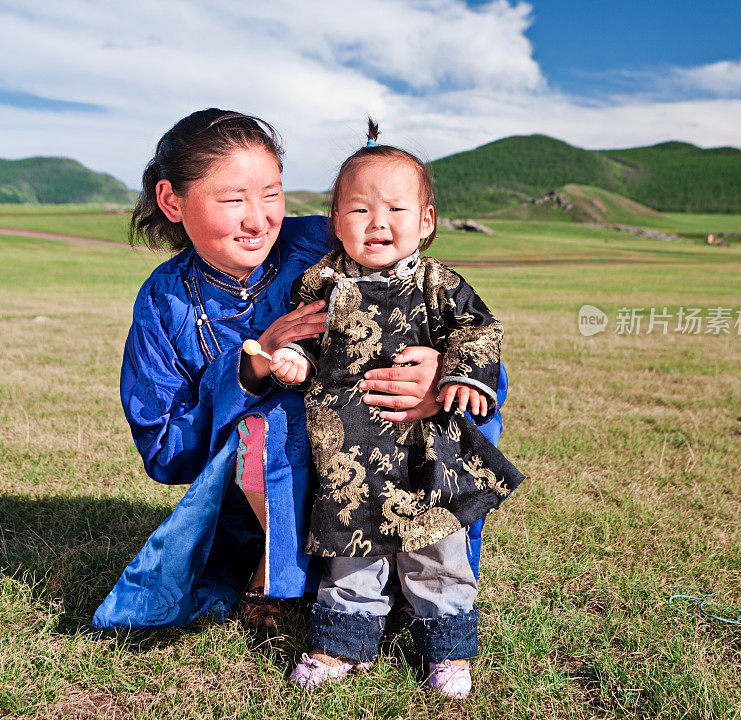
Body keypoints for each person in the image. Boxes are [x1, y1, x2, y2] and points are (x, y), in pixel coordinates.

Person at [92, 109, 455, 631]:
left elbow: (436, 301)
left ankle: (407, 572)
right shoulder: (162, 302)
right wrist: (248, 367)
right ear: (173, 201)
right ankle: (283, 571)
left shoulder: (325, 244)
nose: (258, 219)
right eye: (233, 199)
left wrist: (438, 372)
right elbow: (165, 450)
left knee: (459, 409)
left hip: (380, 456)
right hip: (248, 508)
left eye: (271, 194)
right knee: (271, 423)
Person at [253, 120, 524, 698]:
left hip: (425, 447)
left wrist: (462, 376)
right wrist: (294, 364)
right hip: (346, 448)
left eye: (396, 209)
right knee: (350, 553)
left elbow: (479, 331)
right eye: (358, 211)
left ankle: (446, 651)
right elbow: (305, 343)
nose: (378, 224)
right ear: (334, 221)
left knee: (436, 548)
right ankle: (339, 645)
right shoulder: (321, 284)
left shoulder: (438, 283)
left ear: (426, 221)